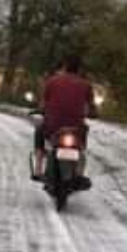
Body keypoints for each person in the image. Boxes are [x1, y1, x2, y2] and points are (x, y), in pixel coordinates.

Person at [35, 54, 97, 186]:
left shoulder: (52, 82)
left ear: (64, 67)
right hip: (76, 128)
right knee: (82, 138)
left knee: (39, 130)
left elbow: (42, 104)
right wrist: (93, 114)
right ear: (79, 69)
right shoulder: (86, 85)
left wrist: (41, 110)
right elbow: (92, 108)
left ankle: (38, 168)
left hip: (53, 126)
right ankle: (79, 172)